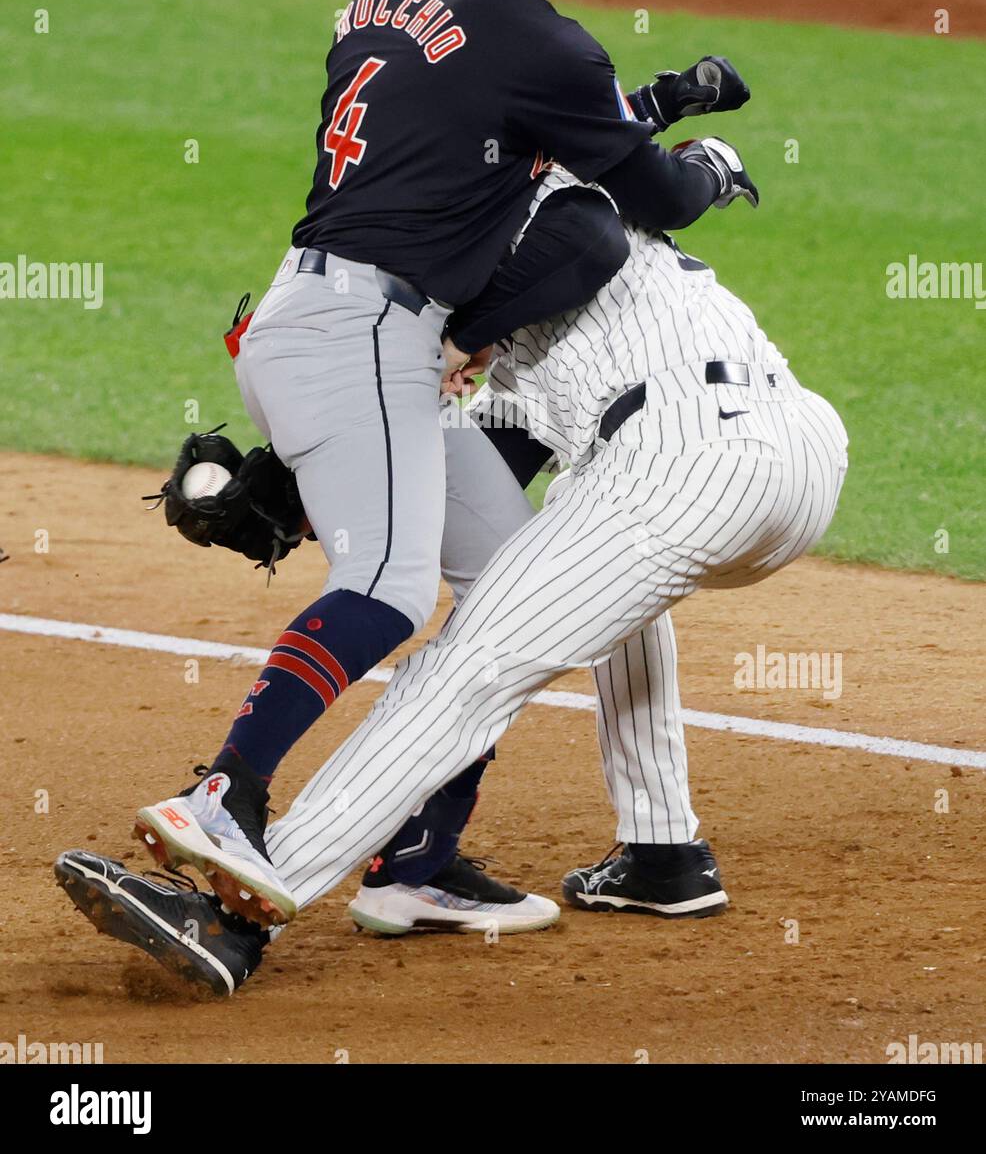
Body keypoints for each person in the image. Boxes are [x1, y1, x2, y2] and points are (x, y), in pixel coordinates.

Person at [123, 0, 756, 931]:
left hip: (332, 316)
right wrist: (704, 159)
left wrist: (651, 100)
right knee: (385, 589)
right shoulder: (545, 40)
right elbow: (650, 196)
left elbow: (483, 124)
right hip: (365, 331)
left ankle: (415, 862)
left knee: (511, 586)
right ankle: (225, 794)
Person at [54, 158, 847, 997]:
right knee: (604, 548)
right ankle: (663, 852)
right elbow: (464, 473)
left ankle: (236, 915)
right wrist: (307, 499)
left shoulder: (516, 214)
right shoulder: (552, 272)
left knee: (462, 672)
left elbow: (566, 238)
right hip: (794, 455)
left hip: (685, 455)